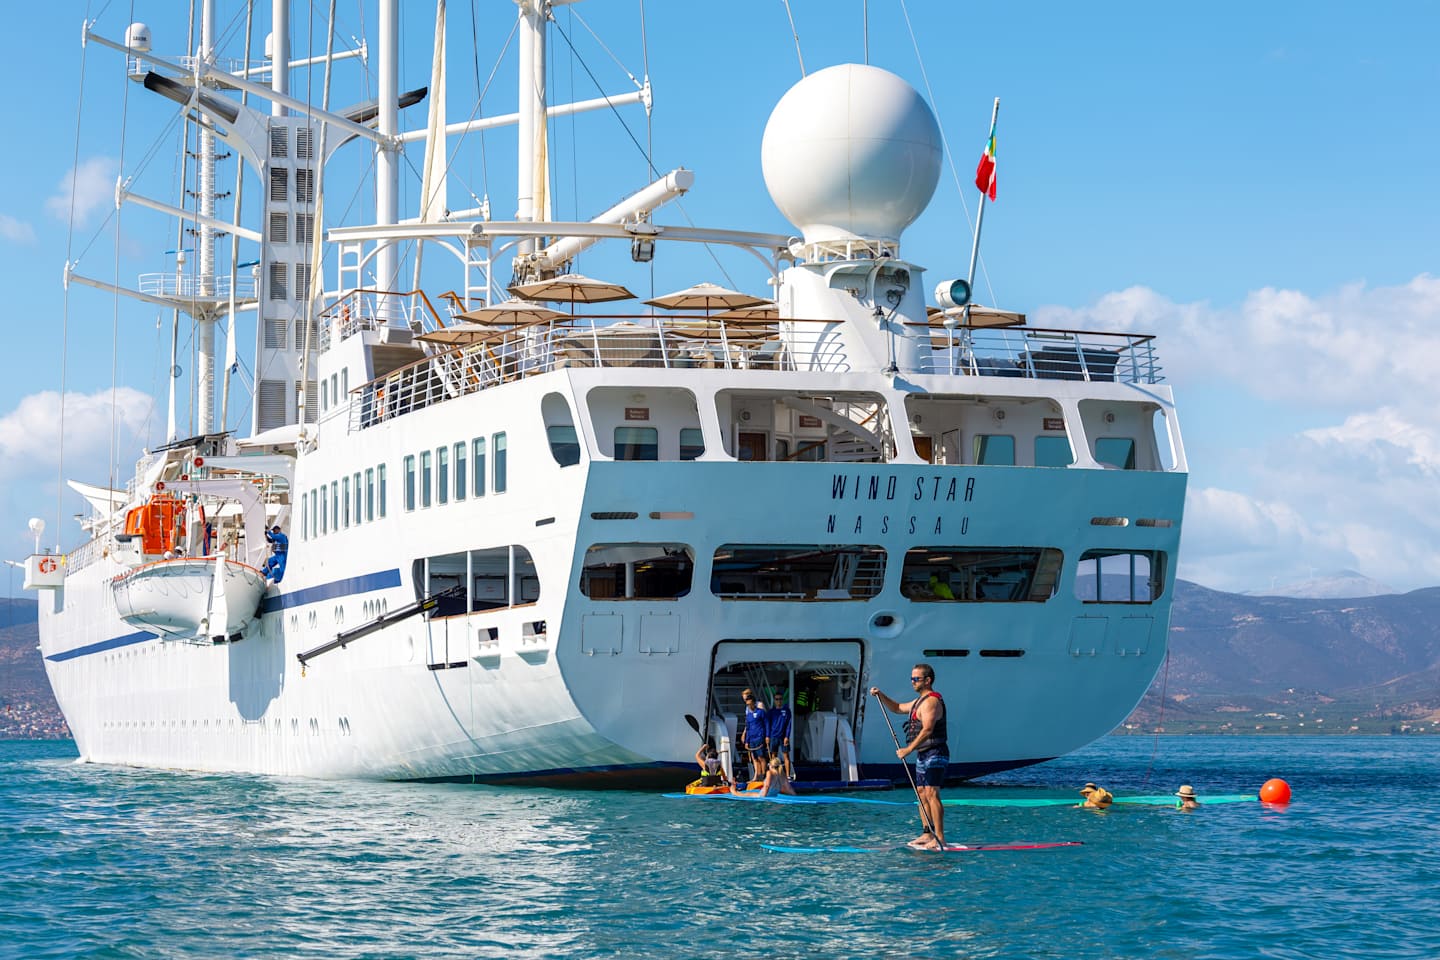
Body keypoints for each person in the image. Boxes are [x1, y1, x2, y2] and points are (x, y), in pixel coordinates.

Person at [871, 663, 949, 851]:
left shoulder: (931, 702)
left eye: (916, 679)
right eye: (912, 678)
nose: (912, 682)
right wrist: (881, 695)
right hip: (923, 754)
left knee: (932, 793)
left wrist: (907, 749)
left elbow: (928, 729)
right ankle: (926, 832)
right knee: (921, 793)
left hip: (935, 752)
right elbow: (897, 708)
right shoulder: (918, 702)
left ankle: (939, 837)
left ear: (927, 680)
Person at [730, 756, 796, 797]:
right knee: (751, 793)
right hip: (774, 794)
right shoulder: (781, 773)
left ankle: (733, 790)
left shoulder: (769, 772)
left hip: (765, 794)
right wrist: (794, 796)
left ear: (771, 765)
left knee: (743, 795)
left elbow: (767, 786)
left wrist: (763, 798)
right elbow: (788, 787)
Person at [740, 689, 769, 783]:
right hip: (751, 738)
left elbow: (766, 724)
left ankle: (764, 776)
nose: (749, 706)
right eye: (747, 704)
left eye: (750, 704)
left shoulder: (760, 710)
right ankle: (757, 777)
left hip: (759, 737)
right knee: (755, 758)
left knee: (761, 757)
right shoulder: (748, 715)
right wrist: (747, 741)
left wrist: (767, 736)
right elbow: (747, 727)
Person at [767, 693, 793, 778]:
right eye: (777, 699)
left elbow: (789, 725)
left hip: (783, 737)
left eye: (780, 699)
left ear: (782, 700)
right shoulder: (771, 712)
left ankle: (788, 775)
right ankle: (775, 774)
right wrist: (768, 736)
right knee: (774, 756)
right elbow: (768, 725)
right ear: (774, 700)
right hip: (774, 736)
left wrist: (787, 737)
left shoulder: (787, 711)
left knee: (786, 755)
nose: (779, 701)